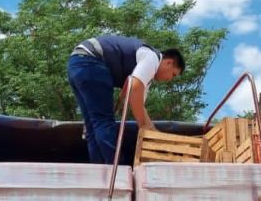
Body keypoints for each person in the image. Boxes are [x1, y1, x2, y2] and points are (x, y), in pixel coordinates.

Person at [68, 35, 185, 164]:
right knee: (103, 122)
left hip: (76, 63)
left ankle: (99, 171)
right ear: (169, 62)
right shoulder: (152, 58)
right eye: (173, 74)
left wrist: (151, 129)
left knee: (92, 125)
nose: (169, 80)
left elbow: (138, 104)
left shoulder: (146, 72)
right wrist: (144, 126)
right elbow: (135, 88)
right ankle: (118, 170)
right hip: (92, 62)